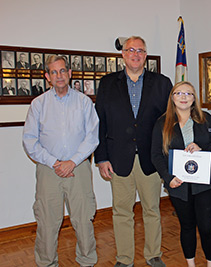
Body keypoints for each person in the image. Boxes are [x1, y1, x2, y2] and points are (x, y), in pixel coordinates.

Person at [94, 35, 172, 267]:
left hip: (151, 158)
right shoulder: (108, 83)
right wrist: (101, 158)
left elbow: (170, 122)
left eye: (140, 50)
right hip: (118, 159)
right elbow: (100, 122)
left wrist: (169, 158)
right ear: (123, 55)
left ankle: (153, 255)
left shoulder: (162, 83)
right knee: (121, 212)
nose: (136, 54)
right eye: (131, 50)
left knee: (152, 210)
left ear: (146, 55)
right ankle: (124, 259)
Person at [22, 55, 99, 267]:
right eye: (54, 72)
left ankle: (87, 261)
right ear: (47, 76)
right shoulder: (38, 104)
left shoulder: (84, 102)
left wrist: (72, 162)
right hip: (49, 170)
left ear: (70, 73)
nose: (59, 76)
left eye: (63, 71)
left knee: (83, 219)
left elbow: (92, 137)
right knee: (47, 222)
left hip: (79, 168)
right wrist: (55, 162)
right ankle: (47, 263)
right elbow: (30, 140)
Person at [151, 81, 211, 267]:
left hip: (205, 184)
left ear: (194, 98)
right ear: (172, 97)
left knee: (206, 228)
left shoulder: (207, 120)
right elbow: (156, 154)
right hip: (178, 185)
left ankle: (210, 264)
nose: (183, 97)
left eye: (188, 93)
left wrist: (202, 148)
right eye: (178, 93)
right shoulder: (162, 123)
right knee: (187, 227)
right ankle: (191, 264)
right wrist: (167, 177)